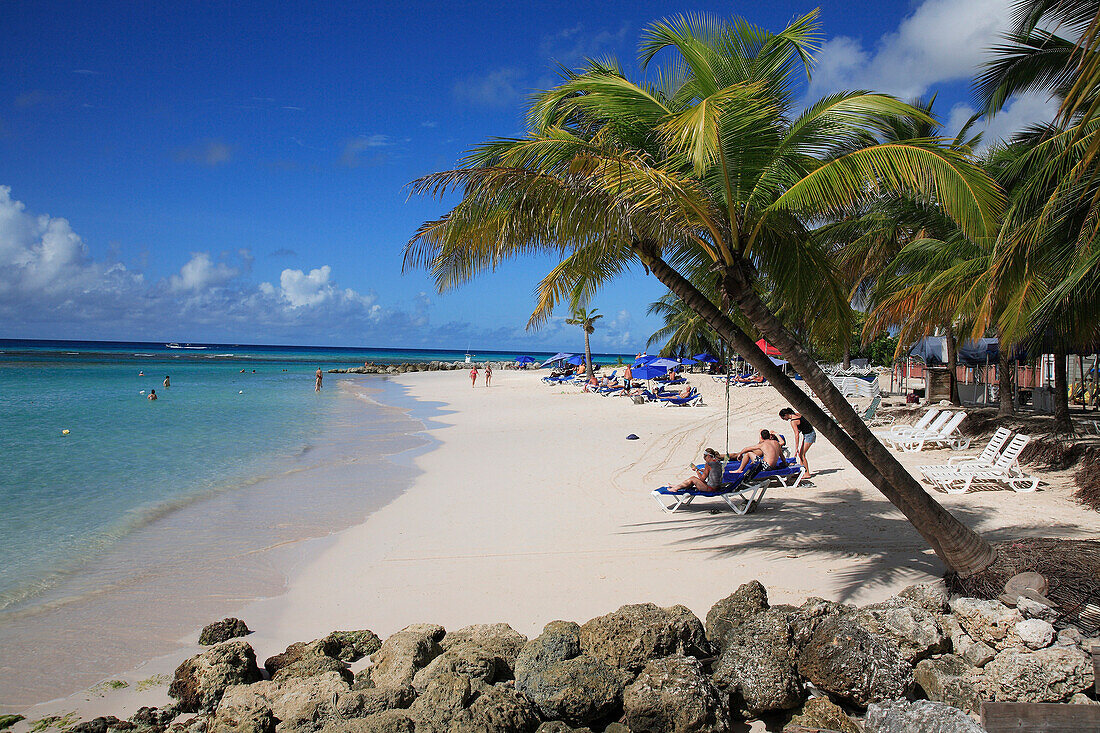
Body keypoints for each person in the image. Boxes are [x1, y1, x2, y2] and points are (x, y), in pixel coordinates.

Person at [779, 407, 817, 478]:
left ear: (786, 415)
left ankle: (807, 473)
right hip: (808, 434)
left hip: (809, 435)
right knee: (801, 454)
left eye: (783, 418)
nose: (784, 419)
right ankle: (802, 471)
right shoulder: (797, 414)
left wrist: (796, 448)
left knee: (802, 454)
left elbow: (796, 435)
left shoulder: (793, 421)